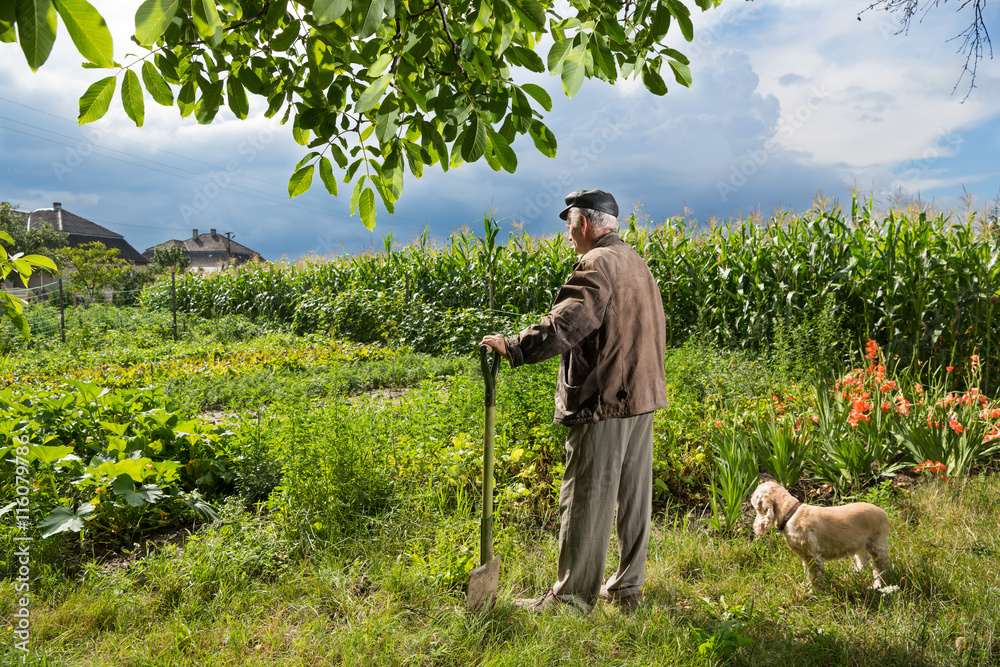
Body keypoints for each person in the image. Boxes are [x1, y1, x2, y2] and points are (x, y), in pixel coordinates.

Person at [479, 188, 668, 613]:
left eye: (568, 223)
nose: (567, 233)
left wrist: (515, 346)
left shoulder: (598, 263)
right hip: (641, 396)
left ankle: (571, 599)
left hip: (604, 399)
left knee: (587, 495)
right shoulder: (635, 261)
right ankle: (626, 587)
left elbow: (569, 321)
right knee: (634, 495)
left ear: (583, 223)